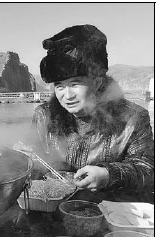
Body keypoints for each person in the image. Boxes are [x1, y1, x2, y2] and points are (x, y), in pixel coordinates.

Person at [18, 25, 154, 199]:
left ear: (97, 82)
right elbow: (35, 164)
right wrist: (24, 158)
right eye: (59, 86)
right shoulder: (44, 116)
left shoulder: (132, 118)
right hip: (53, 208)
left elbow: (148, 169)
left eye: (75, 84)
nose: (67, 95)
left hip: (111, 210)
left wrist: (109, 174)